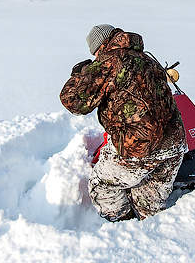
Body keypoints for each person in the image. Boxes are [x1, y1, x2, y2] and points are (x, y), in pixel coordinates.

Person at [60, 24, 186, 222]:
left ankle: (122, 226)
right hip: (174, 145)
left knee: (103, 185)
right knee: (148, 205)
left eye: (95, 53)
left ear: (101, 46)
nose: (96, 58)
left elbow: (73, 101)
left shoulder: (110, 61)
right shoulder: (147, 59)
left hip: (140, 148)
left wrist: (80, 75)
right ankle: (149, 230)